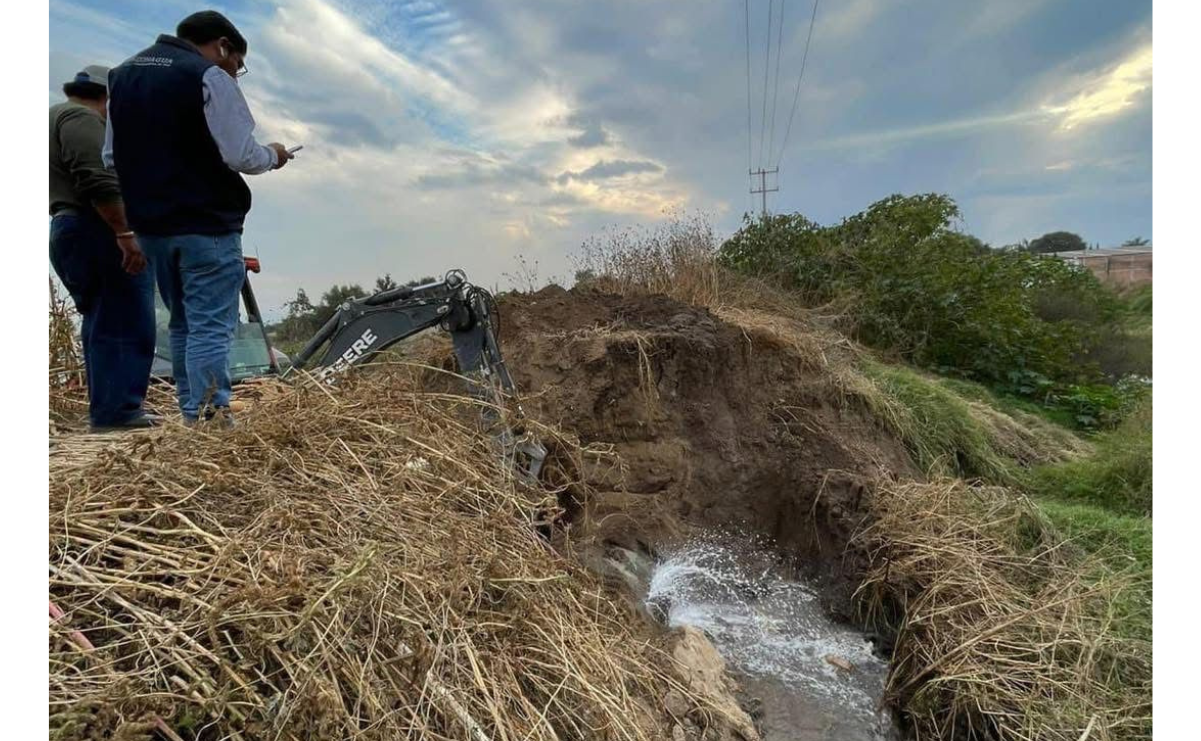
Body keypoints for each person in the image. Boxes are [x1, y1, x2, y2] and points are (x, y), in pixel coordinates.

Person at [104, 10, 294, 427]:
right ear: (223, 46)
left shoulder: (122, 77)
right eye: (237, 64)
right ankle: (211, 422)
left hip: (153, 230)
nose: (234, 71)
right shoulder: (208, 76)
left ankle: (194, 417)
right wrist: (275, 155)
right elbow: (240, 154)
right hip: (206, 226)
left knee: (183, 325)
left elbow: (111, 157)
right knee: (211, 326)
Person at [50, 66, 158, 432]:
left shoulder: (51, 118)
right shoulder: (81, 118)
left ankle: (110, 409)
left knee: (102, 319)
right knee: (126, 319)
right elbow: (96, 176)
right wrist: (126, 232)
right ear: (110, 96)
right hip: (96, 229)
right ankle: (118, 413)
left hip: (72, 227)